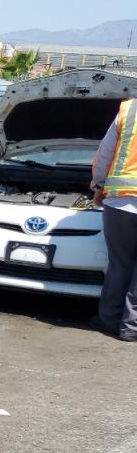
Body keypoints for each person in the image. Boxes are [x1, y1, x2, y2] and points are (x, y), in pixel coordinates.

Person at [93, 99, 137, 342]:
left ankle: (109, 320)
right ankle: (131, 328)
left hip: (119, 201)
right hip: (120, 200)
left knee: (119, 264)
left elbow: (105, 151)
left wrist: (99, 185)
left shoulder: (129, 109)